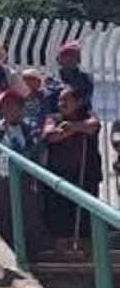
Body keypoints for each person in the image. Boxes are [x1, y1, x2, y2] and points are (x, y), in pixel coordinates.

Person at [41, 87, 102, 252]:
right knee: (60, 221)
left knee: (85, 220)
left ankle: (87, 256)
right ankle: (63, 255)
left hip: (85, 177)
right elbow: (50, 135)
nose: (62, 104)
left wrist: (73, 127)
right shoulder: (53, 118)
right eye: (60, 100)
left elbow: (93, 126)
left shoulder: (88, 116)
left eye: (66, 100)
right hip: (60, 178)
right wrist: (74, 130)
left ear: (78, 102)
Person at [0, 90, 37, 157]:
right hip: (2, 164)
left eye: (15, 104)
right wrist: (3, 125)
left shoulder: (27, 127)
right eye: (7, 105)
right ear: (1, 109)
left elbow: (32, 150)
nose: (12, 108)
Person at [46, 41, 94, 113]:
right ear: (59, 60)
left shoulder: (85, 78)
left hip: (81, 115)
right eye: (65, 55)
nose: (69, 59)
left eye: (73, 56)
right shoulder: (51, 78)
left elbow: (84, 98)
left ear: (78, 59)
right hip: (58, 115)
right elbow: (49, 98)